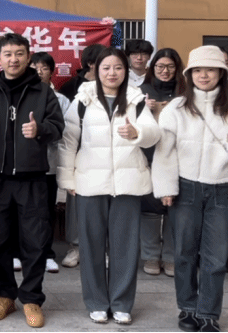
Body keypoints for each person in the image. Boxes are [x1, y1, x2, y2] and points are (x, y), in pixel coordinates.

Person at [152, 45, 228, 333]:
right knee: (184, 254)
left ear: (222, 73)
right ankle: (187, 308)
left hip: (223, 188)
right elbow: (164, 152)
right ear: (189, 74)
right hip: (185, 188)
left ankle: (208, 313)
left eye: (211, 70)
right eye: (198, 70)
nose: (204, 75)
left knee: (216, 257)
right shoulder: (176, 108)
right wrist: (166, 188)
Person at [58, 47, 161, 325]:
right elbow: (68, 142)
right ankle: (96, 302)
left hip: (128, 184)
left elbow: (154, 133)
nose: (112, 73)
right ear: (96, 69)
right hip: (90, 182)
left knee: (125, 247)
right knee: (90, 246)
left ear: (125, 71)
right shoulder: (83, 98)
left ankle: (122, 303)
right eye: (106, 68)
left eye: (118, 67)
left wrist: (138, 132)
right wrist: (67, 179)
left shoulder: (136, 99)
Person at [0, 33, 65, 328]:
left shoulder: (43, 92)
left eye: (19, 53)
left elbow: (58, 127)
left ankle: (32, 299)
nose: (13, 59)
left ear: (28, 57)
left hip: (33, 179)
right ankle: (4, 296)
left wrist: (40, 130)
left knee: (35, 242)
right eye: (8, 54)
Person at [138, 48, 186, 278]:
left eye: (170, 66)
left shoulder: (186, 93)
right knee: (149, 209)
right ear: (153, 68)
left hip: (179, 158)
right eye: (160, 66)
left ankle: (171, 257)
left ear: (177, 68)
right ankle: (150, 255)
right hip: (149, 156)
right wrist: (142, 109)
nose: (165, 71)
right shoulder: (141, 92)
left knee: (174, 209)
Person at [30, 52, 72, 274]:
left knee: (46, 211)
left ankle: (46, 253)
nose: (39, 72)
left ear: (51, 72)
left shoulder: (61, 100)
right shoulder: (22, 96)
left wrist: (42, 131)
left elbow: (65, 132)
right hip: (24, 164)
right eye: (34, 67)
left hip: (49, 164)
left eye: (44, 68)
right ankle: (19, 252)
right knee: (22, 211)